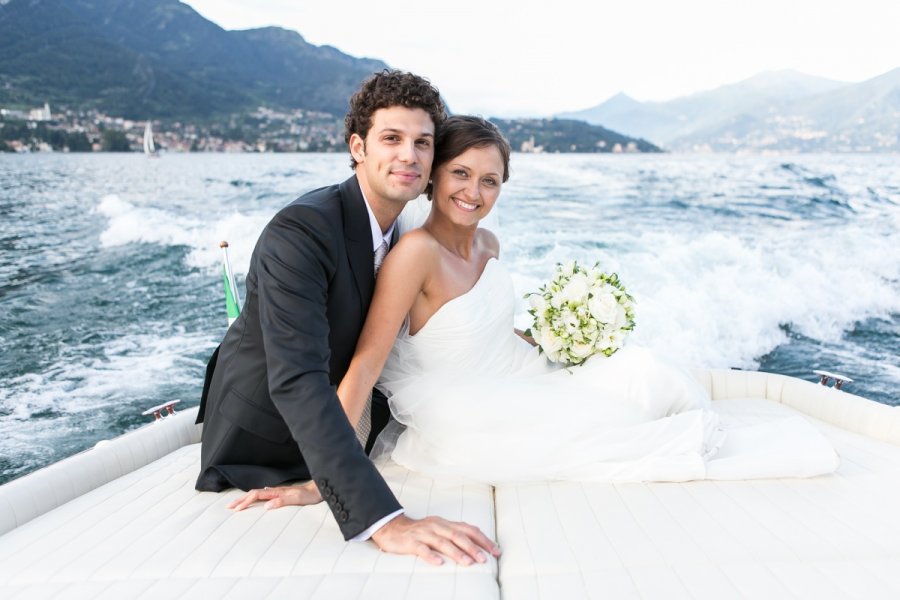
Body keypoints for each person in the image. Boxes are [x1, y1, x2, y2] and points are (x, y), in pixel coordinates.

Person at [333, 115, 841, 485]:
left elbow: (486, 325)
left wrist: (556, 339)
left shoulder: (488, 244)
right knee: (612, 420)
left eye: (490, 181)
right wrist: (329, 468)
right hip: (463, 396)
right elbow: (370, 357)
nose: (474, 191)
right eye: (461, 173)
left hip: (519, 365)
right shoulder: (415, 254)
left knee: (644, 371)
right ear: (435, 176)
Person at [195, 71, 500, 567]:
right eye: (392, 139)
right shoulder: (301, 231)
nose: (409, 155)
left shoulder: (406, 226)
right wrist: (384, 520)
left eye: (422, 143)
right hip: (270, 437)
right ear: (358, 147)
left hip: (357, 411)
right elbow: (296, 381)